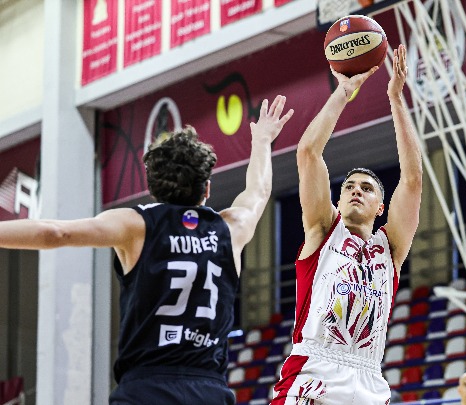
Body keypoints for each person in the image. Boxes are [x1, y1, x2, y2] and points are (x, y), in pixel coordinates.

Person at [0, 95, 293, 404]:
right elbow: (258, 191)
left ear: (151, 187)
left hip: (146, 390)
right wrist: (262, 141)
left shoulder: (135, 225)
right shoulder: (231, 228)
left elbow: (55, 232)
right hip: (208, 392)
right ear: (206, 188)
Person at [272, 44, 422, 404]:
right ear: (337, 201)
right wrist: (344, 91)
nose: (356, 190)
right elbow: (308, 153)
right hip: (316, 370)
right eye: (349, 186)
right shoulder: (324, 231)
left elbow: (413, 180)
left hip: (369, 378)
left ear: (380, 207)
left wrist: (396, 99)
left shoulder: (391, 249)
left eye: (366, 188)